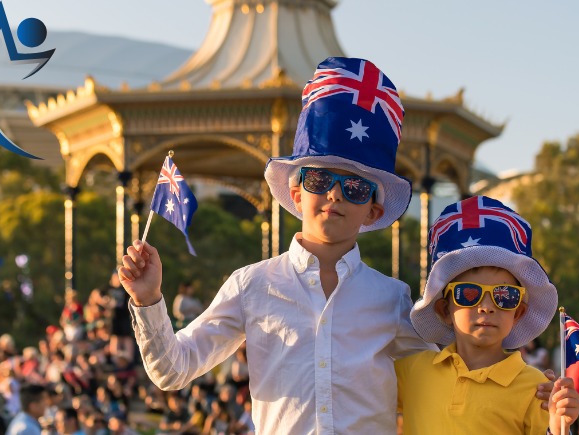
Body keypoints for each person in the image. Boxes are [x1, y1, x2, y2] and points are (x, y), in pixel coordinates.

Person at [118, 57, 556, 434]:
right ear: (296, 193)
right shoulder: (251, 285)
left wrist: (535, 395)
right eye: (319, 179)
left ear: (372, 211)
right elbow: (172, 370)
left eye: (355, 187)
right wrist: (148, 299)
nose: (334, 195)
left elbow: (449, 379)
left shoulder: (392, 299)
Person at [396, 195, 579, 434]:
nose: (486, 307)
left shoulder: (538, 389)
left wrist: (558, 424)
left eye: (504, 296)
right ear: (444, 310)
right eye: (468, 294)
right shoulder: (412, 372)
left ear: (518, 312)